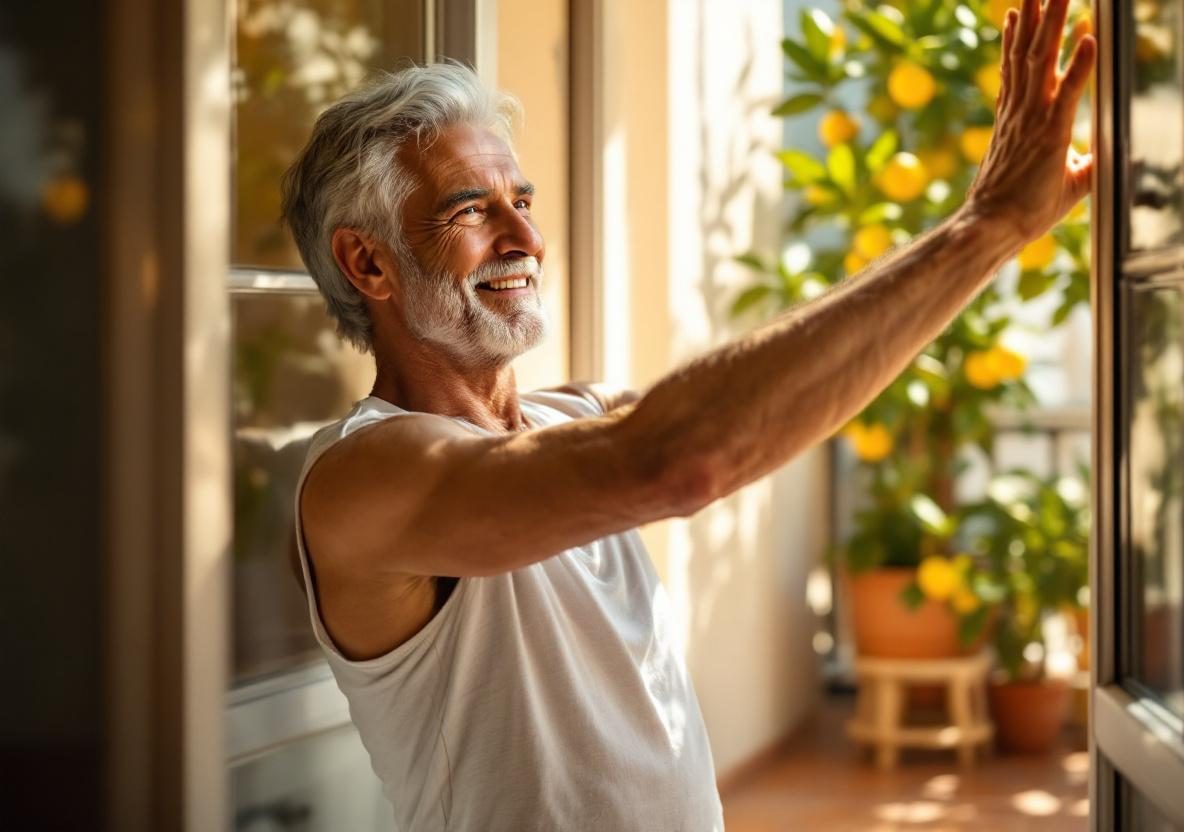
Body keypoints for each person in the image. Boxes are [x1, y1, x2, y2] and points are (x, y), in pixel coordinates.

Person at [284, 1, 1095, 829]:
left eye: (522, 200)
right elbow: (679, 459)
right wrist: (986, 226)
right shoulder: (361, 477)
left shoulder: (575, 414)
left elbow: (756, 408)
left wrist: (992, 233)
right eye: (471, 210)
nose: (524, 235)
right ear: (368, 262)